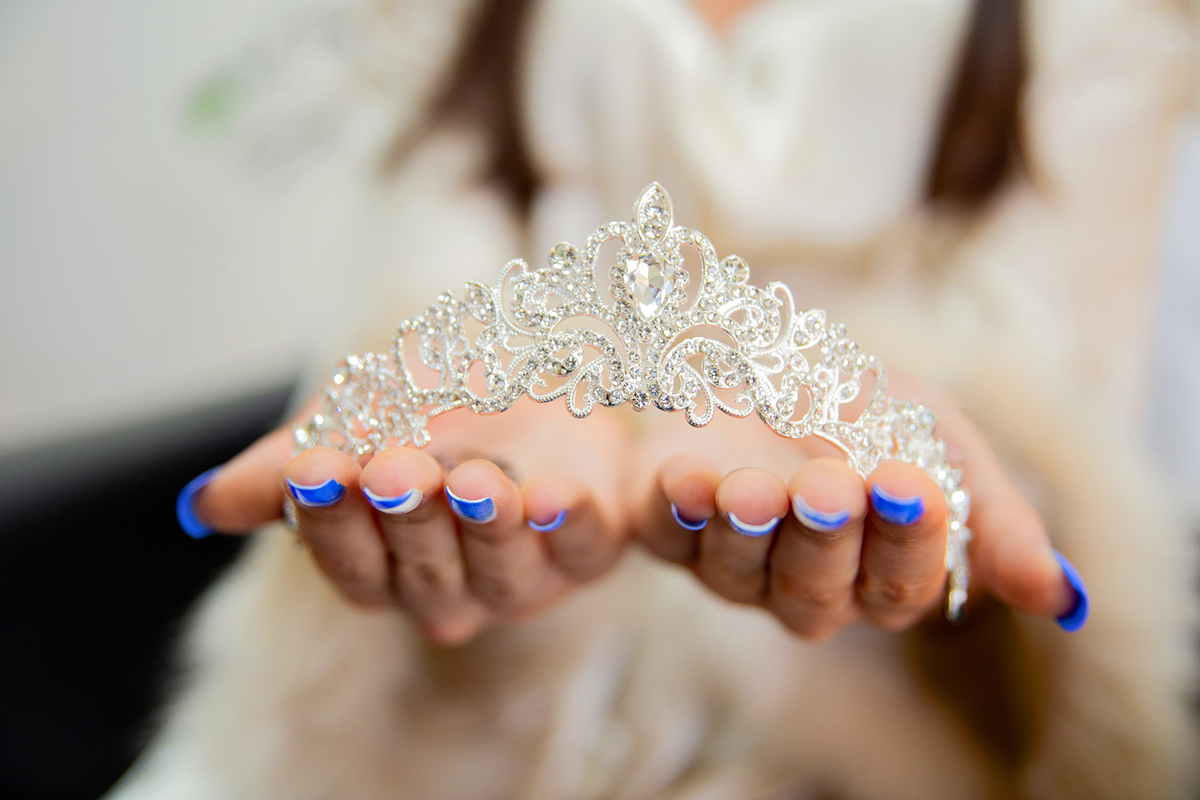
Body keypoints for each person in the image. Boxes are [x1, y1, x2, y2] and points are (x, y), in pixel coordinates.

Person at [110, 0, 1198, 797]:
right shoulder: (462, 28)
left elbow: (1048, 362)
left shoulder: (1091, 35)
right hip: (475, 716)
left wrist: (960, 436)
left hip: (871, 728)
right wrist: (494, 425)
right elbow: (430, 303)